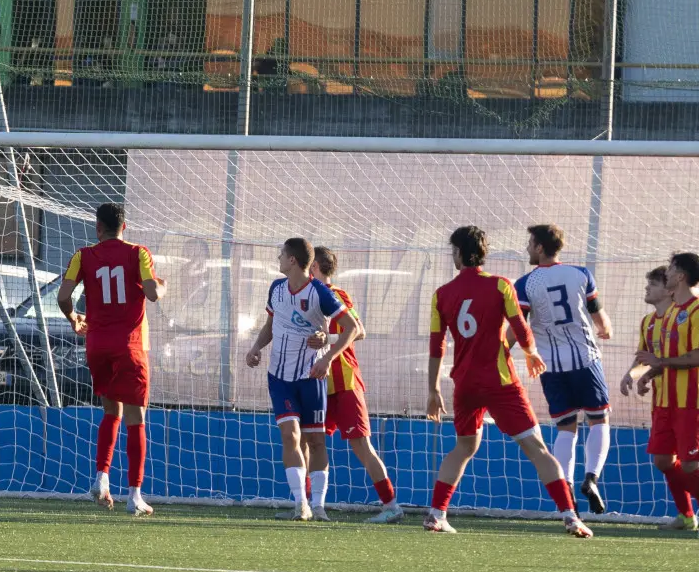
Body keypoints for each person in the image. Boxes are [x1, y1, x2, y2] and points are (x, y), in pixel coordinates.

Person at [425, 226, 591, 538]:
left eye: (453, 251)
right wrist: (529, 353)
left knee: (463, 447)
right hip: (500, 383)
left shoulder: (441, 295)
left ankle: (436, 513)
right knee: (537, 448)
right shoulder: (501, 285)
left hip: (465, 385)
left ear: (460, 253)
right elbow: (521, 327)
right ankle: (570, 516)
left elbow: (437, 347)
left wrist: (433, 389)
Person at [58, 203, 165, 516]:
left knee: (110, 411)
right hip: (129, 347)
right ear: (125, 226)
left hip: (97, 346)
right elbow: (152, 293)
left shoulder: (83, 255)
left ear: (98, 227)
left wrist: (74, 319)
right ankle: (134, 495)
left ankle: (101, 478)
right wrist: (163, 286)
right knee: (136, 419)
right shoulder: (138, 253)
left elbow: (63, 297)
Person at [246, 238, 359, 522]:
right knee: (290, 435)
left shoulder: (320, 292)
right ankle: (301, 505)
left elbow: (352, 328)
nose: (279, 259)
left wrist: (327, 356)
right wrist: (256, 347)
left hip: (311, 377)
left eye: (282, 255)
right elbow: (272, 324)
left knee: (316, 440)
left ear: (293, 260)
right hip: (280, 377)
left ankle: (318, 505)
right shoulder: (276, 289)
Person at [513, 225, 613, 512]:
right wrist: (605, 329)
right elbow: (601, 321)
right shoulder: (581, 274)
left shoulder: (525, 284)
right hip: (585, 359)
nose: (528, 249)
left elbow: (518, 328)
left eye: (531, 244)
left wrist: (503, 351)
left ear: (541, 247)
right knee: (598, 420)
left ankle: (565, 487)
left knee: (566, 427)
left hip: (550, 365)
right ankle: (591, 478)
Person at [305, 247, 403, 523]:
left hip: (344, 381)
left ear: (314, 268)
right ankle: (312, 505)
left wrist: (328, 341)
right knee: (311, 442)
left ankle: (391, 505)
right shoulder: (305, 296)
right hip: (318, 382)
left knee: (361, 444)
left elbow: (358, 330)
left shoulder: (334, 294)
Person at [622, 267, 695, 530]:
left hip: (690, 401)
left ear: (669, 288)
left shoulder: (690, 314)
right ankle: (687, 516)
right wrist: (637, 374)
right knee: (664, 461)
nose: (646, 289)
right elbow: (647, 356)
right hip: (663, 401)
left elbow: (685, 357)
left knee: (689, 465)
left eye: (652, 284)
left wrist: (654, 367)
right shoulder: (650, 322)